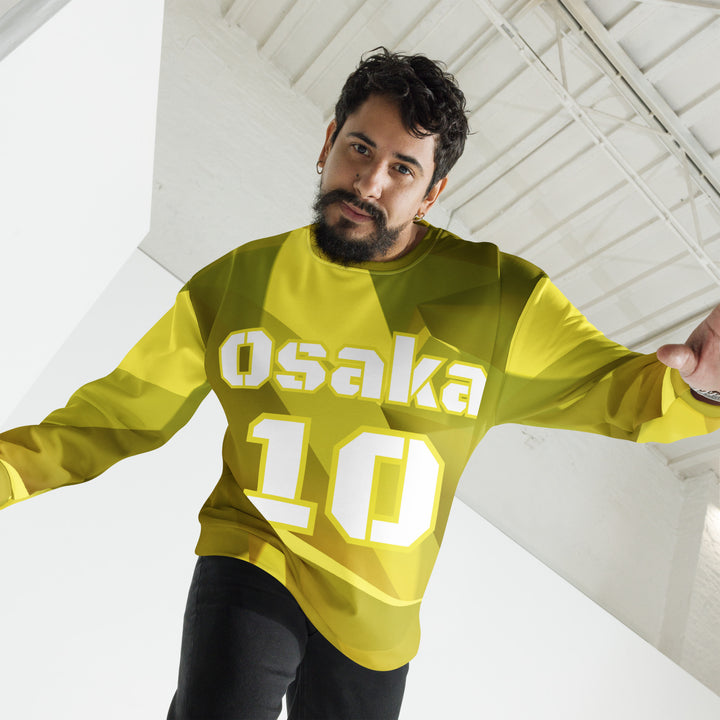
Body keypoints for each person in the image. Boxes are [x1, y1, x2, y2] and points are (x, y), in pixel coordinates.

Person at [1, 47, 719, 720]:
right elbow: (115, 417)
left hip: (380, 618)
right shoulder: (237, 284)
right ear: (327, 144)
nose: (370, 183)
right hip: (255, 556)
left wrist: (706, 387)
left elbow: (619, 395)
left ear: (432, 193)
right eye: (360, 149)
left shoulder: (499, 299)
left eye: (403, 169)